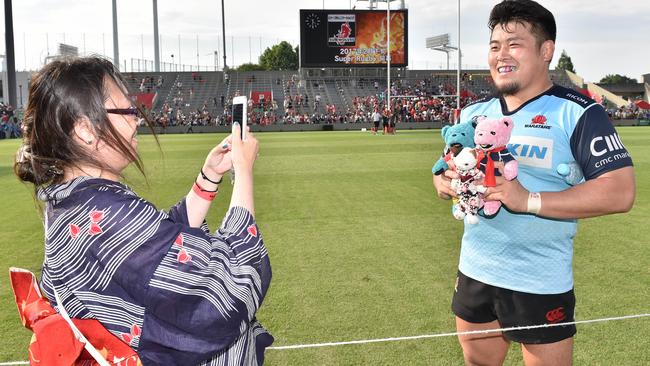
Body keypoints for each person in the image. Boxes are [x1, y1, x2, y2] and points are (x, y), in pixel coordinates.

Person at [14, 57, 273, 365]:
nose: (137, 119)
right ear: (85, 129)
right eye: (127, 111)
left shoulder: (75, 203)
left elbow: (157, 250)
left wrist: (208, 177)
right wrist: (243, 171)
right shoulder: (104, 211)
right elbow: (226, 291)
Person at [432, 1, 635, 365]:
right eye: (494, 46)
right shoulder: (474, 113)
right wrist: (443, 182)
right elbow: (449, 167)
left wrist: (528, 200)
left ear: (546, 51)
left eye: (514, 44)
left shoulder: (579, 112)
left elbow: (620, 191)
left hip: (539, 280)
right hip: (475, 270)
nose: (501, 55)